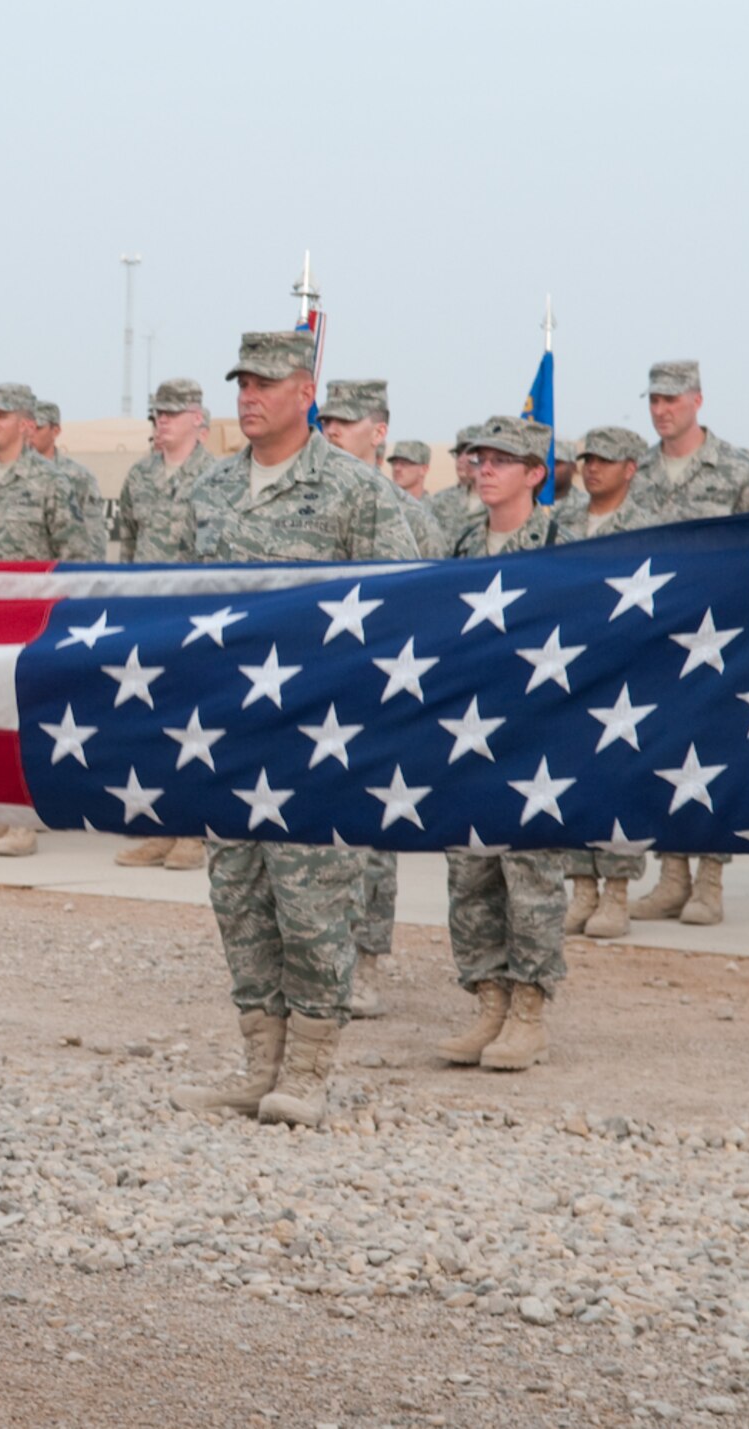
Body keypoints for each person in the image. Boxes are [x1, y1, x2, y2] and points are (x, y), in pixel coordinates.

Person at [169, 330, 416, 1127]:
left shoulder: (355, 492)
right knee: (239, 900)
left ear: (306, 393)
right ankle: (258, 1064)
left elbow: (400, 614)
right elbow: (175, 605)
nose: (249, 397)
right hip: (228, 735)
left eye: (266, 383)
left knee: (313, 905)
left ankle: (308, 1068)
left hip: (317, 737)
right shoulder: (209, 489)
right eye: (241, 383)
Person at [432, 416, 567, 1071]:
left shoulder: (561, 546)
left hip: (535, 731)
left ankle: (529, 1012)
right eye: (478, 458)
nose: (483, 469)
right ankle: (488, 1001)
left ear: (536, 473)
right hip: (468, 730)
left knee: (531, 873)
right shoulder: (460, 545)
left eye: (501, 460)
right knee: (470, 872)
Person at [627, 360, 749, 927]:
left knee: (712, 755)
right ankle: (671, 876)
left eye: (672, 399)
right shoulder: (638, 471)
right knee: (662, 752)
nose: (661, 410)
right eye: (654, 400)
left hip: (717, 639)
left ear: (697, 401)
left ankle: (709, 881)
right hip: (654, 637)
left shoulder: (736, 470)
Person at [317, 377, 426, 1017]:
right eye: (326, 419)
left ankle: (365, 961)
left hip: (378, 690)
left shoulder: (410, 514)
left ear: (378, 432)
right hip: (310, 689)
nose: (331, 429)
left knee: (371, 835)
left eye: (346, 421)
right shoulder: (305, 503)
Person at [0, 382, 92, 858]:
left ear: (26, 425)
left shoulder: (51, 482)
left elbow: (75, 555)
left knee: (26, 720)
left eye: (1, 415)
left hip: (32, 623)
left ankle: (24, 821)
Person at [557, 426, 658, 937]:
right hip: (570, 667)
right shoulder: (562, 522)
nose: (592, 468)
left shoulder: (649, 527)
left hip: (625, 670)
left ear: (630, 468)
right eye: (588, 459)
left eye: (605, 460)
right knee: (573, 774)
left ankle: (616, 891)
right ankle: (582, 887)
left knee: (620, 778)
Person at [114, 377, 216, 873]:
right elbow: (129, 547)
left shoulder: (218, 477)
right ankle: (159, 826)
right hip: (148, 620)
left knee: (194, 728)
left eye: (173, 413)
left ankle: (194, 829)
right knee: (153, 725)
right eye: (158, 413)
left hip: (196, 624)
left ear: (198, 418)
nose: (163, 421)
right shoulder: (139, 476)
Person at [31, 399, 103, 531]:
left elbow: (94, 530)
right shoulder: (10, 474)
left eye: (38, 428)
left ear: (55, 431)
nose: (31, 434)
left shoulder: (79, 477)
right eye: (28, 427)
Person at [422, 425, 482, 545]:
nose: (461, 459)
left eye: (469, 452)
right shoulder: (439, 501)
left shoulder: (501, 502)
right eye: (458, 453)